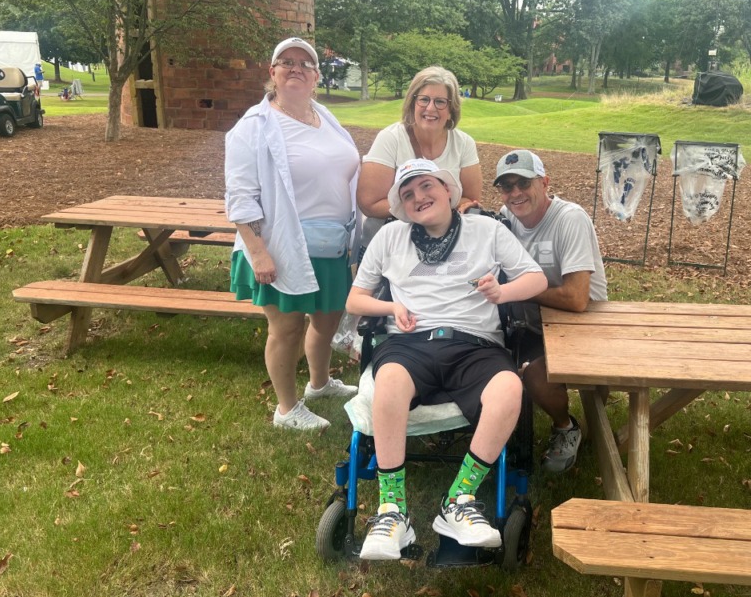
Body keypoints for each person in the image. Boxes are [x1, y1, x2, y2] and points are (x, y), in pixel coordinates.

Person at [347, 159, 547, 560]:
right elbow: (355, 299)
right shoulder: (390, 238)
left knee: (510, 387)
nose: (419, 197)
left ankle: (458, 500)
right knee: (388, 382)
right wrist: (392, 307)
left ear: (449, 189)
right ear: (402, 207)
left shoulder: (487, 230)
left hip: (475, 344)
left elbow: (536, 278)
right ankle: (392, 511)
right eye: (408, 195)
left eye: (426, 186)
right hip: (411, 341)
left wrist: (501, 294)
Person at [225, 37, 362, 431]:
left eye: (305, 63)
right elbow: (240, 195)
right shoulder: (253, 127)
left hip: (332, 243)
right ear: (272, 72)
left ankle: (319, 385)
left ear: (317, 76)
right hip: (280, 244)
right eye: (286, 62)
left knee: (327, 319)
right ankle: (286, 409)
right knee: (287, 328)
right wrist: (258, 251)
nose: (296, 68)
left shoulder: (324, 117)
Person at [494, 150, 608, 472]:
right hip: (535, 320)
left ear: (545, 182)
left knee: (535, 376)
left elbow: (576, 299)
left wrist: (519, 291)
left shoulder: (569, 218)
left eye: (524, 183)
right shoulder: (506, 216)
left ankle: (565, 426)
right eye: (506, 186)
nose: (515, 193)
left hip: (583, 323)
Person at [356, 66, 482, 248]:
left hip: (445, 245)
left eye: (440, 102)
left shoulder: (463, 143)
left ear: (451, 109)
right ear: (412, 103)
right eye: (424, 99)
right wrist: (427, 209)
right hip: (391, 246)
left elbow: (469, 200)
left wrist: (432, 209)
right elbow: (370, 203)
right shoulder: (391, 139)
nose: (430, 108)